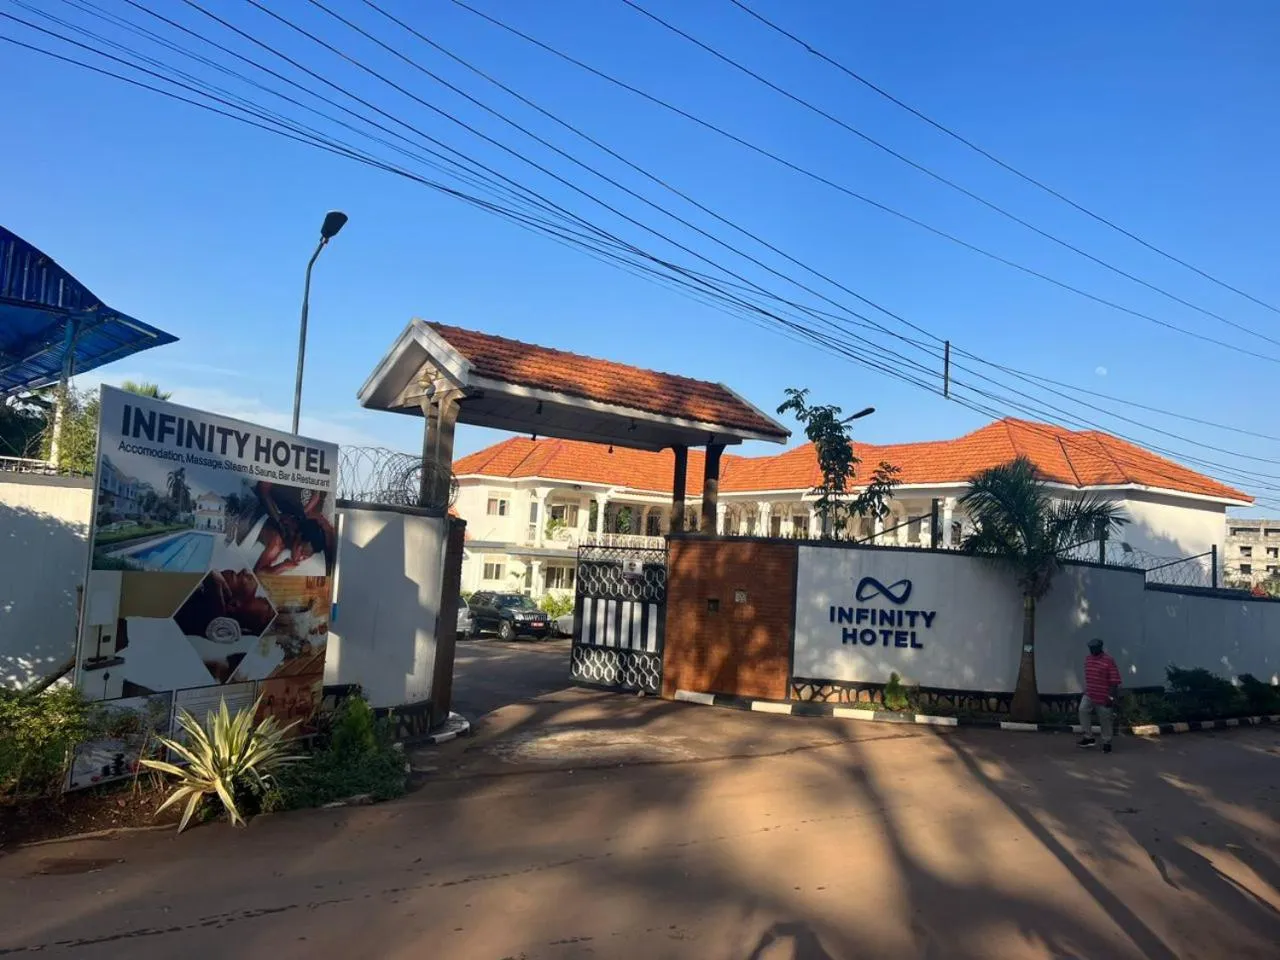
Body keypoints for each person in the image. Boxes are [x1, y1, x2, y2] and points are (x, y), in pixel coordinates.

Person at [1079, 638, 1123, 753]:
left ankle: (1106, 742)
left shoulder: (1108, 661)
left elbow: (1114, 681)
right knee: (1082, 710)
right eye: (1090, 648)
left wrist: (1111, 697)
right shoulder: (1088, 659)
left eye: (1094, 648)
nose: (1092, 650)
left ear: (1100, 648)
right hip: (1090, 693)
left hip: (1104, 695)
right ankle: (1088, 737)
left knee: (1105, 720)